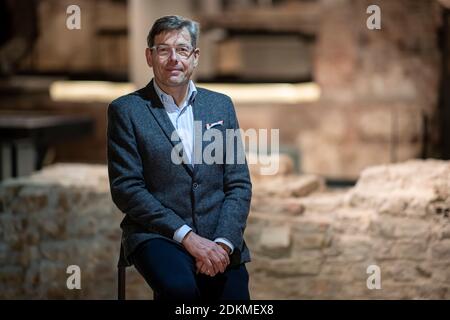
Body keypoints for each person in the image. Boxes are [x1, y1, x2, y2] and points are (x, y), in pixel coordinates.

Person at [107, 15, 252, 301]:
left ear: (195, 57)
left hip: (217, 235)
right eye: (163, 50)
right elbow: (127, 189)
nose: (174, 58)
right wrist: (187, 237)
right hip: (157, 234)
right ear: (150, 57)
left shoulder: (220, 106)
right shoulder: (127, 111)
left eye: (183, 49)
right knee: (181, 292)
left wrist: (222, 244)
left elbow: (238, 184)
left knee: (236, 302)